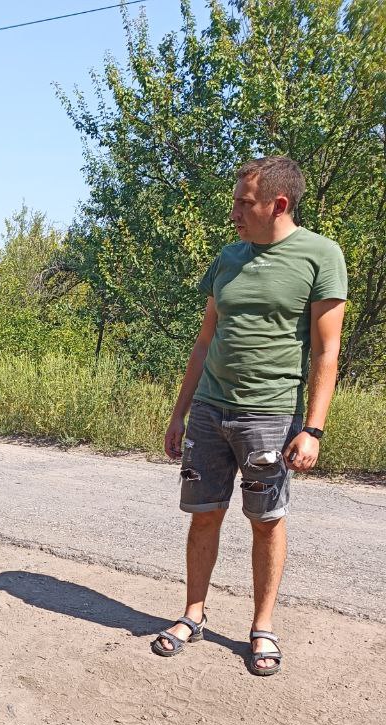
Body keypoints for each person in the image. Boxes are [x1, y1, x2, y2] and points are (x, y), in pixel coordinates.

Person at [153, 155, 347, 676]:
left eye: (245, 202)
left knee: (265, 522)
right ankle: (193, 613)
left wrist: (313, 428)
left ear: (278, 205)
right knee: (204, 513)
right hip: (211, 412)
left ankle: (261, 628)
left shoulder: (320, 257)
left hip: (270, 413)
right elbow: (204, 338)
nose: (235, 211)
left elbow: (328, 353)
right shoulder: (229, 257)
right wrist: (181, 412)